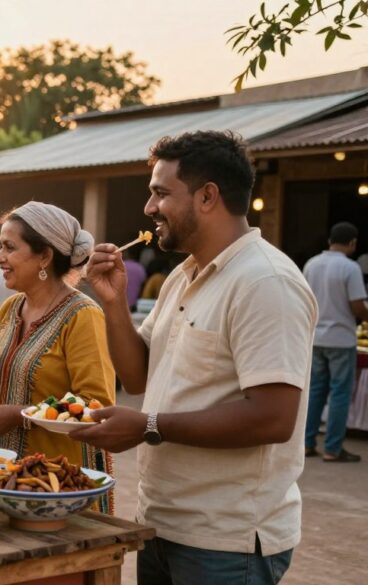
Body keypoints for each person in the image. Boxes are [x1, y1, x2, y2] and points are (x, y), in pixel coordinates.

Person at [73, 131, 316, 584]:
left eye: (161, 193)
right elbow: (139, 375)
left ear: (207, 197)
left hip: (226, 540)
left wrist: (148, 426)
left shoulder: (265, 282)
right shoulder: (182, 277)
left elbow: (273, 418)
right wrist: (113, 304)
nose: (148, 208)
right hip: (163, 523)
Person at [0, 202, 115, 512]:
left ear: (45, 256)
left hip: (56, 487)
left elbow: (97, 405)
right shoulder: (10, 308)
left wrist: (20, 415)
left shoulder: (83, 316)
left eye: (9, 247)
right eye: (1, 247)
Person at [303, 222, 368, 462]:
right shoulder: (349, 268)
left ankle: (306, 443)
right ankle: (332, 448)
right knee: (340, 393)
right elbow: (358, 306)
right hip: (341, 339)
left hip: (316, 337)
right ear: (352, 243)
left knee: (315, 391)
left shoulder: (312, 264)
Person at [123, 247, 146, 311]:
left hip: (118, 305)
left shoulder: (119, 267)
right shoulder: (140, 268)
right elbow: (143, 286)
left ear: (126, 253)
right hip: (134, 306)